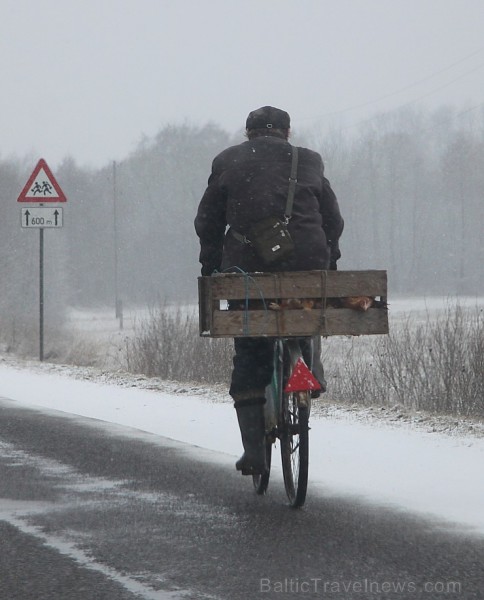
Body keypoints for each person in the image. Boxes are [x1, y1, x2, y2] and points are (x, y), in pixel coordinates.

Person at [195, 106, 344, 475]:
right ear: (287, 132)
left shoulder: (228, 160)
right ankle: (309, 365)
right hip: (307, 262)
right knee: (305, 311)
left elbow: (208, 221)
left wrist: (210, 264)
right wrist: (331, 259)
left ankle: (254, 451)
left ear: (249, 133)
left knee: (250, 349)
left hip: (249, 267)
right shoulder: (308, 160)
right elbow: (334, 219)